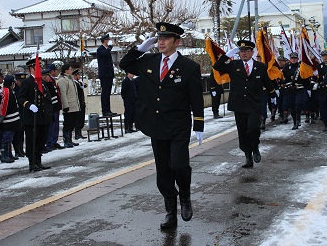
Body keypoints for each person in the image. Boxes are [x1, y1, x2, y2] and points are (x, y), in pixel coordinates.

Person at [119, 22, 204, 230]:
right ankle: (170, 213)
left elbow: (196, 97)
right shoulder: (148, 60)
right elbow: (125, 64)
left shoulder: (189, 67)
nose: (161, 42)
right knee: (163, 175)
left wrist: (199, 124)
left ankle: (185, 197)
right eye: (159, 38)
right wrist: (140, 49)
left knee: (179, 165)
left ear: (177, 42)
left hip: (178, 125)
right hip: (156, 126)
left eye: (166, 38)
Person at [213, 39, 277, 168]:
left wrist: (273, 94)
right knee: (242, 132)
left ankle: (255, 147)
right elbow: (217, 66)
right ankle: (248, 156)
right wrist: (227, 55)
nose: (244, 54)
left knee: (253, 128)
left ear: (252, 52)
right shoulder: (233, 65)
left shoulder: (260, 66)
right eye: (241, 51)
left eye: (247, 51)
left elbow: (266, 81)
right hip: (239, 104)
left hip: (254, 103)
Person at [17, 59, 53, 172]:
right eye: (39, 68)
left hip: (42, 117)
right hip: (31, 118)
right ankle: (32, 163)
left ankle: (38, 161)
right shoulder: (27, 82)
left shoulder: (41, 82)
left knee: (41, 140)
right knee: (32, 141)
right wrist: (29, 105)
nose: (41, 70)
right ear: (32, 69)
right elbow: (21, 98)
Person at [0, 75, 21, 163]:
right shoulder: (6, 91)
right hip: (9, 119)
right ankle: (5, 155)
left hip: (11, 118)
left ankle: (9, 154)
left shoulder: (6, 90)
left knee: (10, 137)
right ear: (12, 83)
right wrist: (1, 116)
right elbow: (3, 105)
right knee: (7, 137)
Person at [58, 64, 81, 148]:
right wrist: (65, 105)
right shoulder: (62, 80)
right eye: (70, 69)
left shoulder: (70, 78)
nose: (71, 70)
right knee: (67, 123)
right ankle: (66, 140)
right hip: (68, 106)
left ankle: (70, 140)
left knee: (72, 123)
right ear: (65, 70)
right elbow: (63, 94)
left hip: (74, 105)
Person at [44, 63, 65, 151]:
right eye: (55, 71)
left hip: (56, 106)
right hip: (51, 107)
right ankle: (50, 142)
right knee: (51, 126)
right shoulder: (48, 82)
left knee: (56, 126)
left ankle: (54, 141)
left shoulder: (53, 81)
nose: (56, 72)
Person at [97, 33, 115, 116]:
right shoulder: (100, 49)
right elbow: (105, 54)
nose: (109, 41)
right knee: (105, 93)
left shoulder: (106, 49)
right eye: (108, 40)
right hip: (104, 74)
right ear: (104, 40)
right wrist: (110, 47)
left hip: (109, 74)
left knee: (108, 93)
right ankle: (105, 110)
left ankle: (108, 109)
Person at [12, 72, 27, 157]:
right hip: (17, 114)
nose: (21, 83)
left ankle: (21, 149)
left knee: (22, 133)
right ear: (17, 81)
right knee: (18, 133)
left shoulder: (24, 89)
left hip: (24, 113)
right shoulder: (15, 91)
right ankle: (17, 150)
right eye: (20, 81)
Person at [73, 69, 87, 140]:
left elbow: (85, 86)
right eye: (78, 75)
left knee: (81, 119)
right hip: (78, 103)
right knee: (78, 119)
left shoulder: (79, 83)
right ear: (75, 76)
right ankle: (77, 134)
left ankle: (79, 133)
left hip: (81, 103)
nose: (79, 76)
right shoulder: (75, 83)